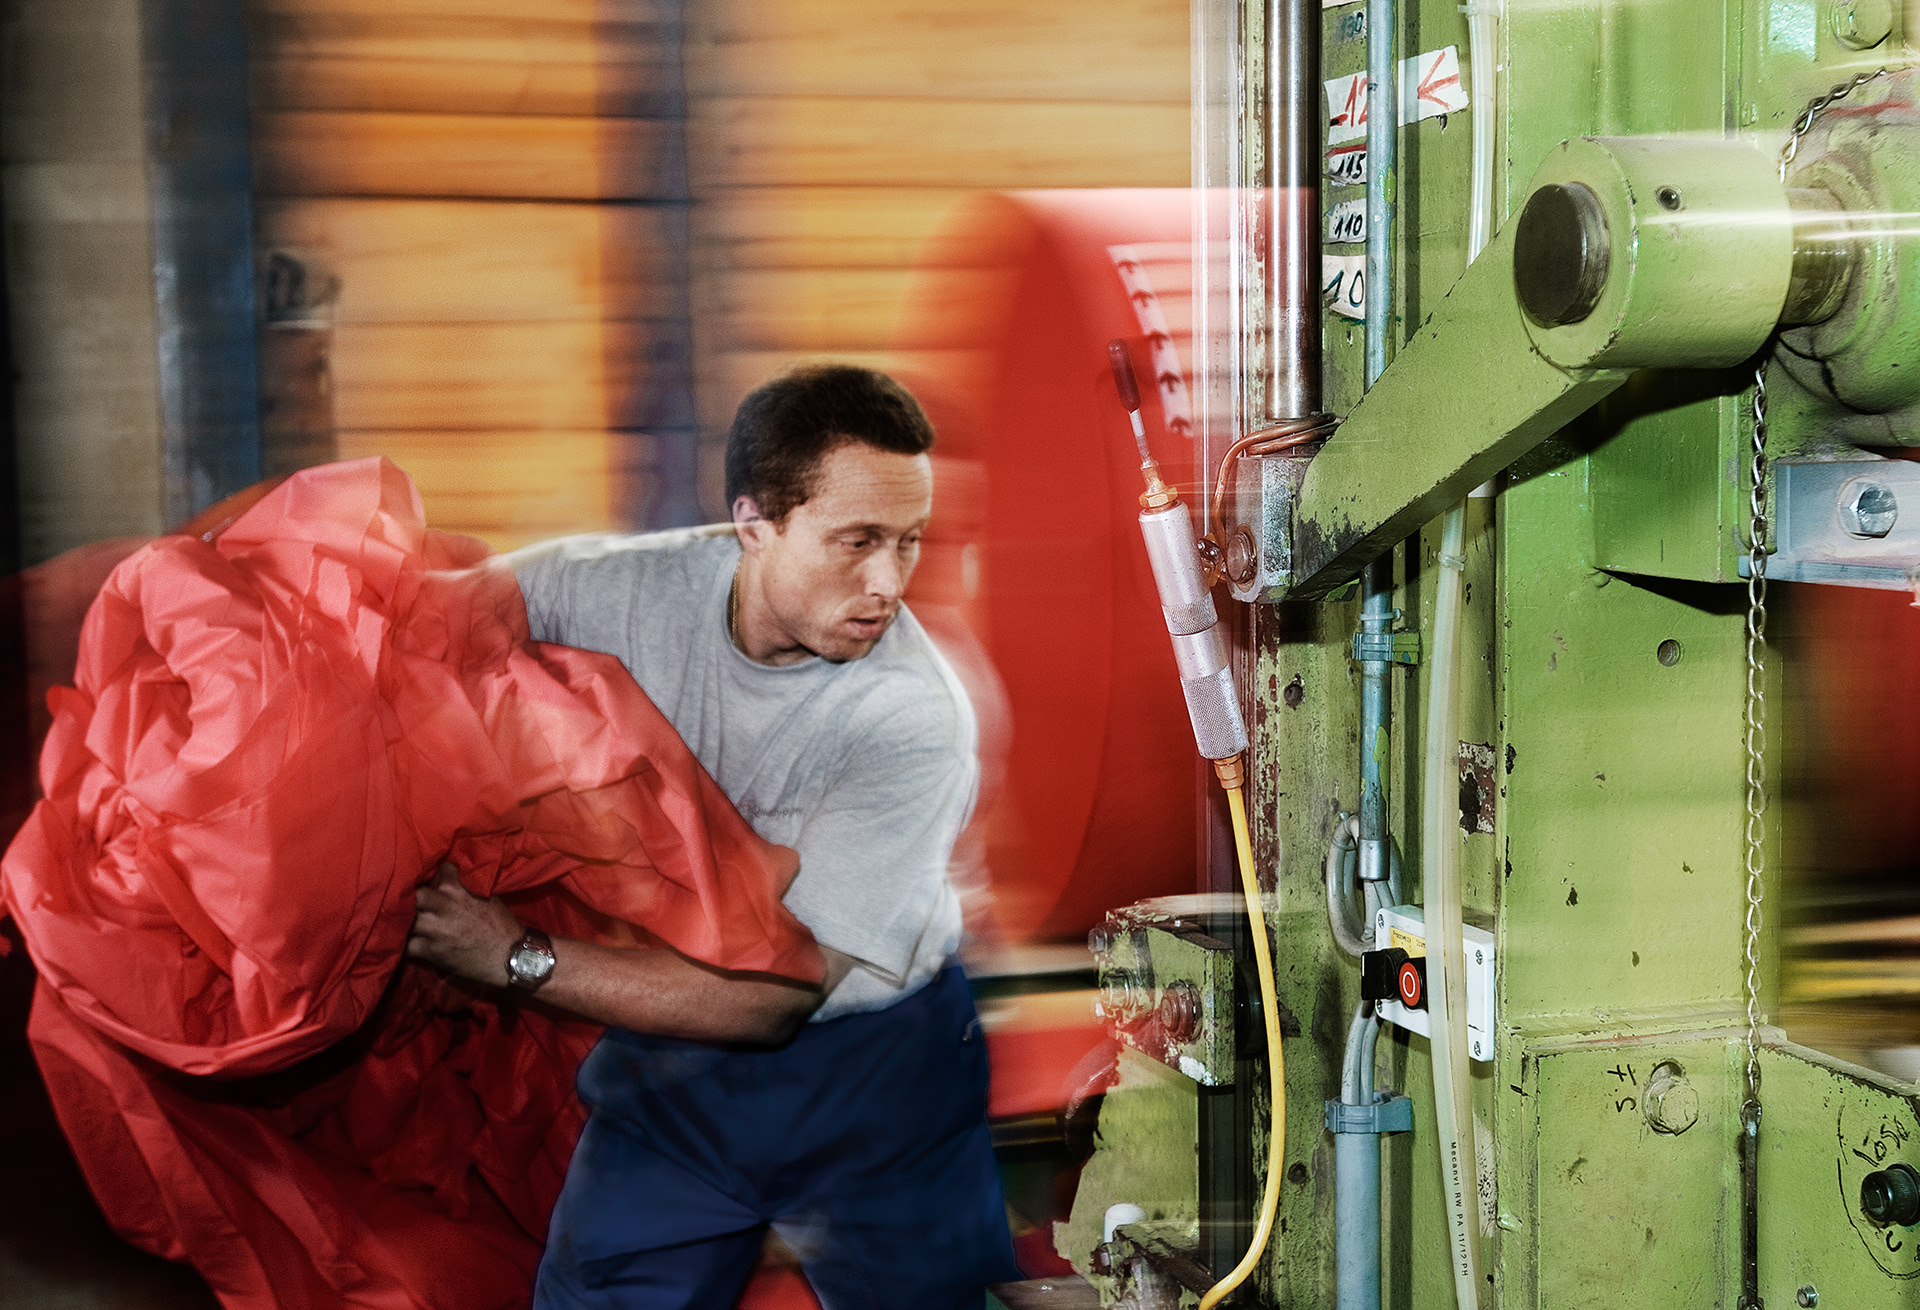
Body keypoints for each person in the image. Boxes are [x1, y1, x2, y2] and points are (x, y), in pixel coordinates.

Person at [405, 364, 1020, 1309]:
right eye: (857, 541)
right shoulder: (617, 592)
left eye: (909, 542)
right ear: (754, 523)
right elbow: (414, 621)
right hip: (676, 1056)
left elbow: (770, 1000)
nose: (889, 583)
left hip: (871, 1071)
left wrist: (512, 956)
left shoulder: (911, 717)